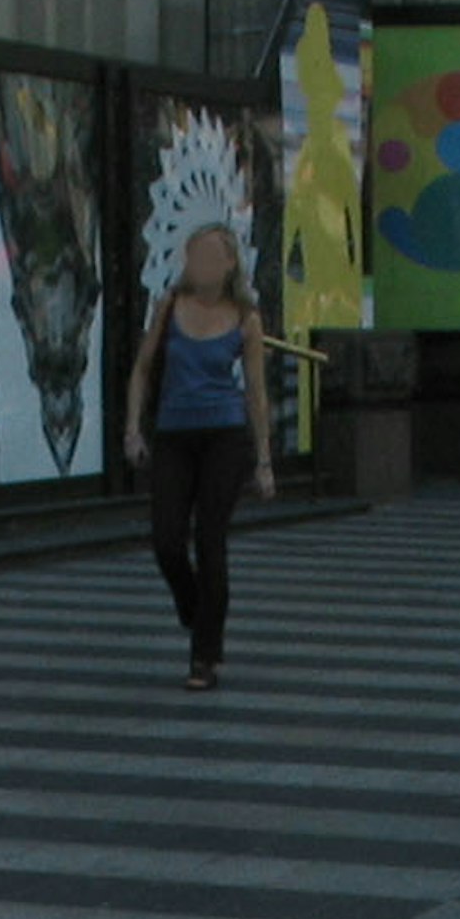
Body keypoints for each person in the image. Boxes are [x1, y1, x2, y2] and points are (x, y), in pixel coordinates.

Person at [122, 220, 273, 692]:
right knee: (166, 539)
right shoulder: (169, 307)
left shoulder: (246, 317)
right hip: (173, 436)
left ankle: (204, 655)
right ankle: (195, 609)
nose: (199, 265)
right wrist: (133, 429)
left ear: (229, 263)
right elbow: (143, 369)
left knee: (210, 542)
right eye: (193, 256)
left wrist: (264, 461)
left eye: (209, 256)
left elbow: (256, 393)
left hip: (224, 438)